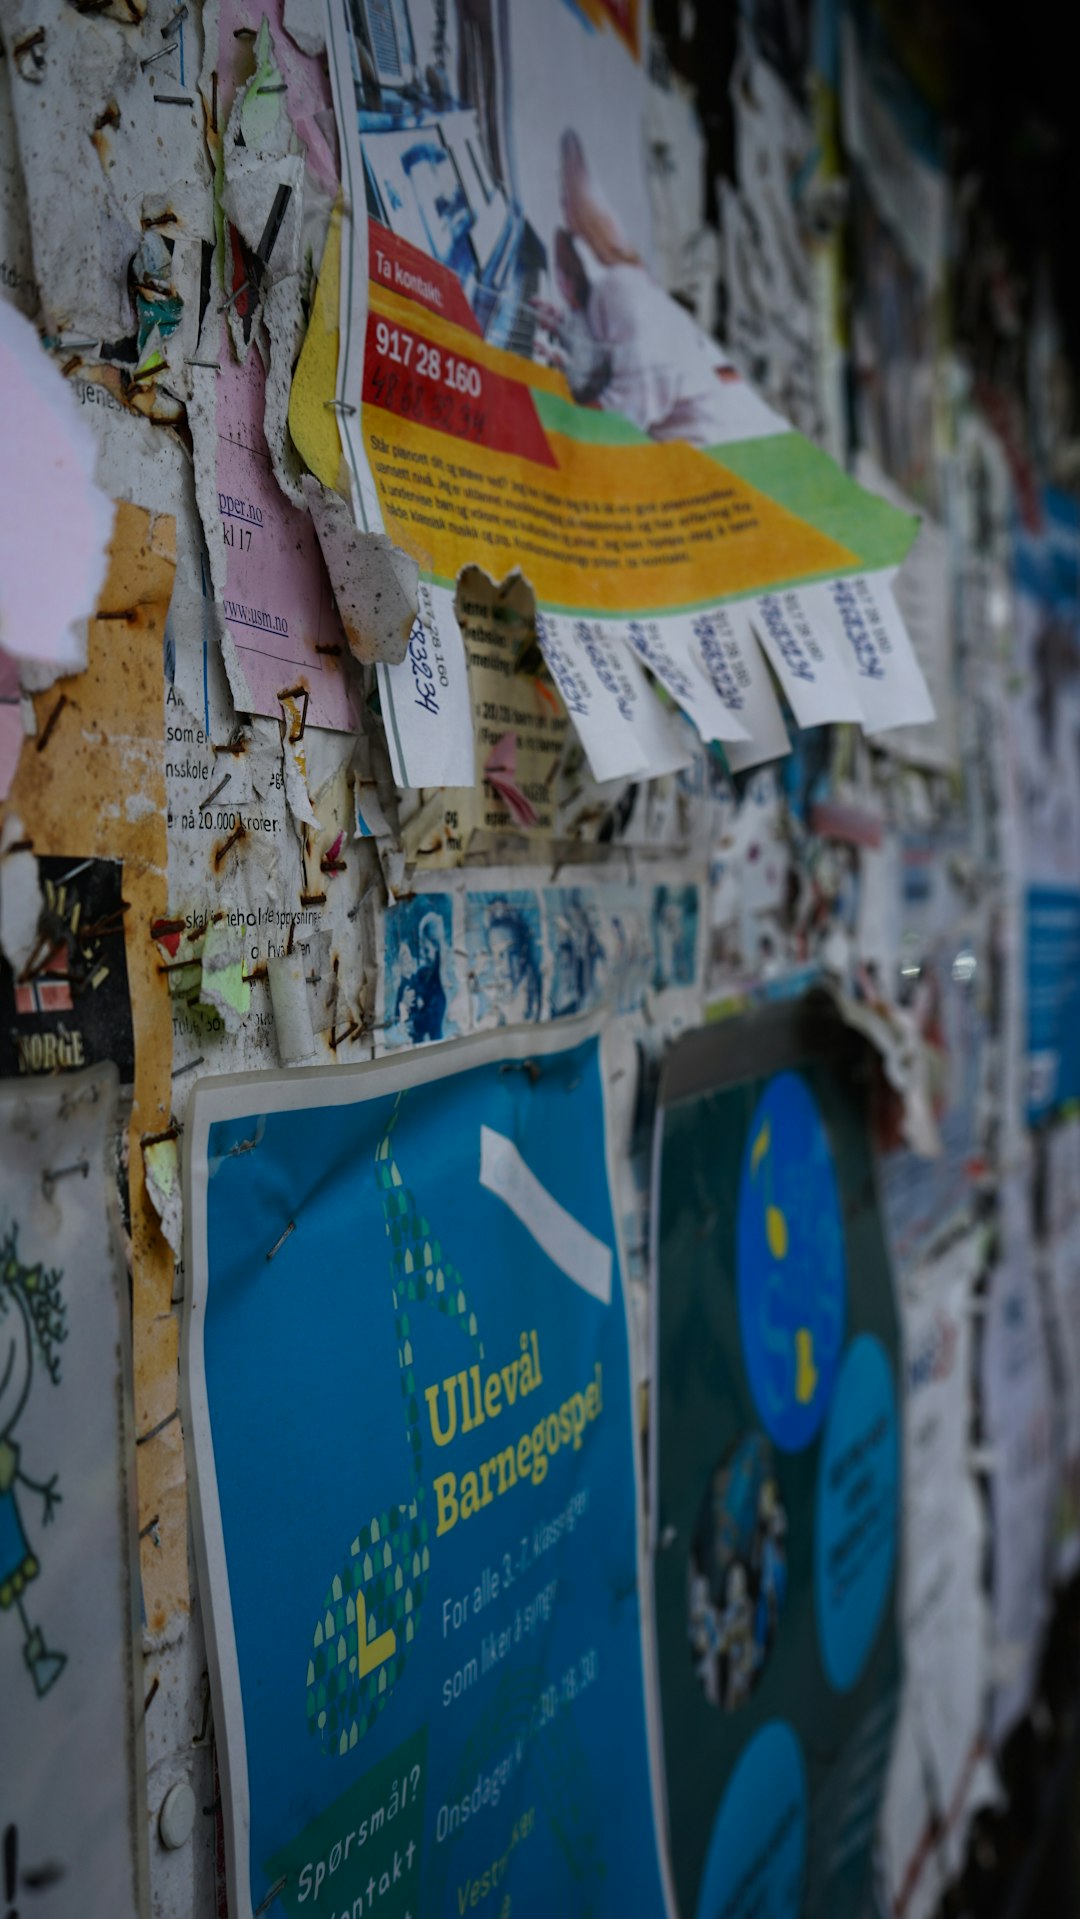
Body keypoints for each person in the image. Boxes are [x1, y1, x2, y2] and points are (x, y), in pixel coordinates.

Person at [394, 911, 447, 1043]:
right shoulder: (422, 974)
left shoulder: (441, 984)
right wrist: (403, 1004)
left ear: (437, 948)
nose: (423, 954)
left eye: (427, 950)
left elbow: (428, 1020)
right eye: (422, 949)